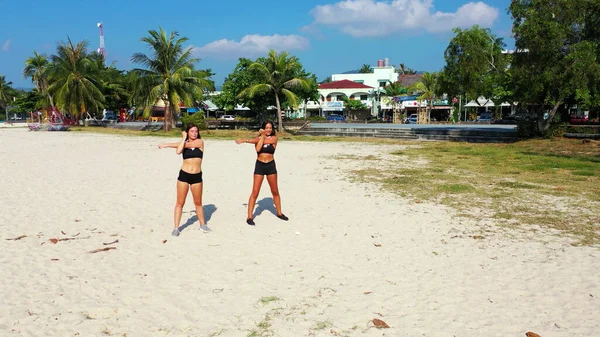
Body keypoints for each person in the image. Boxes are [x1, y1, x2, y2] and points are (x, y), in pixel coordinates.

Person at [158, 123, 210, 236]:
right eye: (192, 131)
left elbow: (182, 147)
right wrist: (183, 138)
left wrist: (166, 145)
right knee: (180, 202)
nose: (194, 133)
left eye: (196, 131)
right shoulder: (183, 143)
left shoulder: (200, 142)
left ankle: (203, 225)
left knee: (198, 202)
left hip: (197, 176)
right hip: (184, 176)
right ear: (187, 132)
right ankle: (176, 228)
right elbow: (178, 151)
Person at [235, 121, 289, 226]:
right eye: (266, 128)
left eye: (270, 128)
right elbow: (258, 148)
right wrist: (260, 137)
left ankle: (279, 212)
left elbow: (259, 141)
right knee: (255, 192)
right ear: (263, 128)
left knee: (275, 191)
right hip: (260, 166)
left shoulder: (274, 138)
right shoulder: (259, 139)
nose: (268, 129)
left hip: (270, 166)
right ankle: (249, 217)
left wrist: (249, 140)